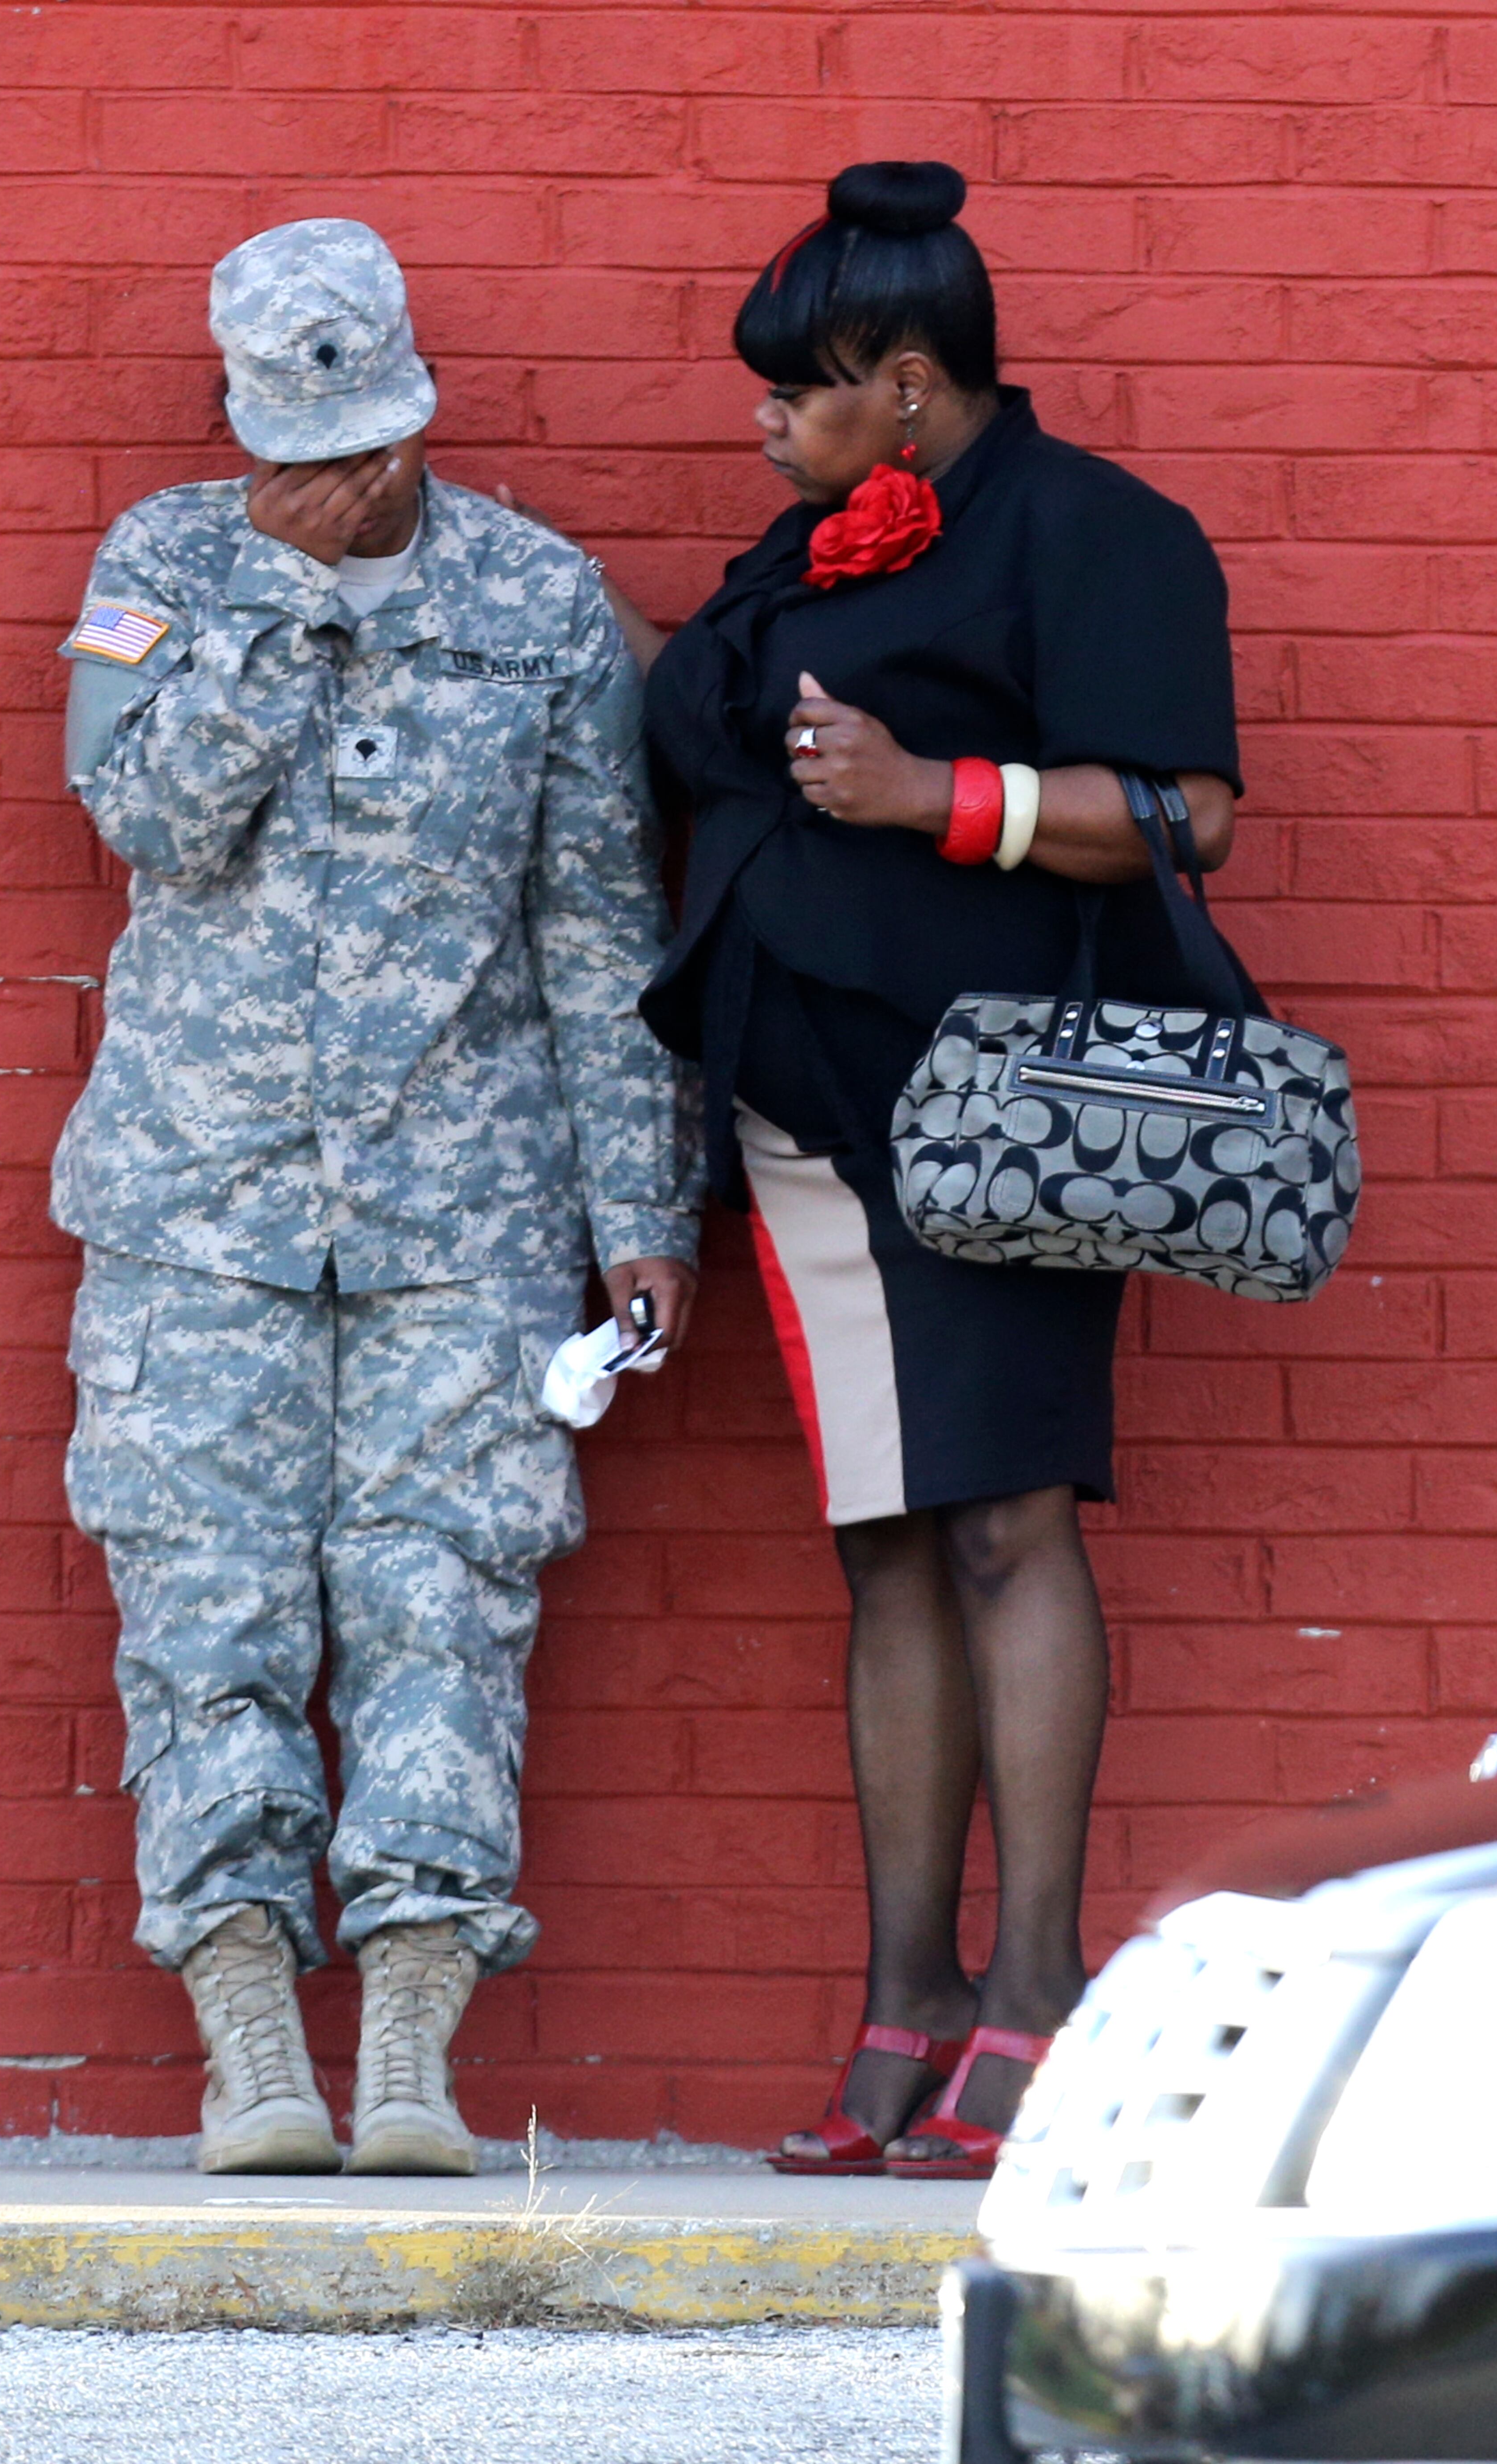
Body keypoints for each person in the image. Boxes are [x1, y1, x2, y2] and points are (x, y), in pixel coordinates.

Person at [565, 161, 1242, 2176]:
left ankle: (1034, 1992)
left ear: (916, 382)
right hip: (801, 1113)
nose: (767, 420)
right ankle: (912, 1992)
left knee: (1008, 1526)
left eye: (804, 389)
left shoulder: (1100, 531)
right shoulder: (811, 556)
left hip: (1001, 1106)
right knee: (888, 1541)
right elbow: (688, 720)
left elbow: (1186, 810)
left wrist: (943, 794)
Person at [55, 218, 701, 2177]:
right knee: (206, 1607)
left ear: (419, 397)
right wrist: (274, 593)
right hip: (199, 1202)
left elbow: (600, 925)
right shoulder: (164, 564)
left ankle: (412, 2030)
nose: (334, 472)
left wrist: (638, 1202)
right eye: (287, 443)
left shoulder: (542, 601)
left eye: (361, 438)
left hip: (465, 1209)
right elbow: (146, 816)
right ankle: (251, 2035)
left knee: (446, 1601)